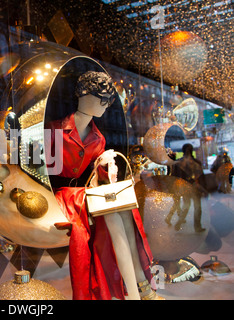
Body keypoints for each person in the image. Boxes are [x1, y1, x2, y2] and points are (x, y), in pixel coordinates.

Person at [47, 71, 160, 300]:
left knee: (123, 207)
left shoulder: (98, 139)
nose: (106, 104)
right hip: (59, 194)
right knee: (111, 211)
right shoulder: (54, 130)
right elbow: (42, 168)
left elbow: (96, 177)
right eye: (102, 97)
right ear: (84, 95)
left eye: (108, 99)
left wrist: (107, 167)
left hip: (84, 192)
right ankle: (139, 294)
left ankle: (140, 286)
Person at [170, 143, 206, 232]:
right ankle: (197, 227)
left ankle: (180, 222)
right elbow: (201, 177)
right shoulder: (196, 162)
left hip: (186, 188)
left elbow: (174, 177)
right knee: (196, 207)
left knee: (187, 205)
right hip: (194, 187)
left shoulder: (178, 163)